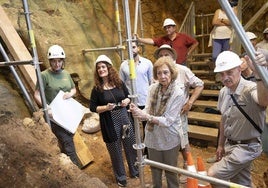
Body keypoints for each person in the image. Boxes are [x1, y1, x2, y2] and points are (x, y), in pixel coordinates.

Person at [207, 50, 268, 187]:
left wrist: (259, 74)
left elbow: (263, 101)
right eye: (222, 74)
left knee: (213, 174)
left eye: (229, 72)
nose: (225, 77)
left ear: (240, 69)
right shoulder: (224, 91)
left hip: (247, 147)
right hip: (230, 145)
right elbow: (223, 119)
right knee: (240, 182)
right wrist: (221, 144)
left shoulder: (250, 88)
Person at [129, 56, 185, 188]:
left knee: (171, 171)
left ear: (172, 73)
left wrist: (146, 116)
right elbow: (147, 110)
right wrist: (137, 111)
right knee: (155, 170)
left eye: (165, 72)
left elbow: (168, 121)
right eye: (159, 73)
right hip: (153, 136)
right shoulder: (152, 89)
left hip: (170, 137)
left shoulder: (178, 93)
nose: (162, 76)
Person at [153, 44, 204, 183]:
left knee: (183, 142)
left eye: (166, 54)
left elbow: (200, 84)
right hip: (163, 116)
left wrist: (190, 102)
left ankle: (187, 168)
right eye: (161, 55)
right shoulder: (159, 73)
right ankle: (170, 169)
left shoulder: (183, 70)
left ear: (173, 56)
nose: (164, 57)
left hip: (179, 115)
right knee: (167, 142)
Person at [89, 55, 139, 187]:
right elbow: (92, 107)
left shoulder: (119, 83)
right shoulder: (97, 89)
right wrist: (106, 107)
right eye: (98, 68)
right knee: (115, 150)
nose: (101, 69)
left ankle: (135, 170)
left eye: (103, 66)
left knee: (130, 144)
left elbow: (128, 96)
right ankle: (121, 177)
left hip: (124, 118)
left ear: (109, 68)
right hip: (109, 122)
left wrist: (126, 101)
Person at [34, 44, 81, 167]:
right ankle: (76, 170)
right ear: (50, 61)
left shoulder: (65, 74)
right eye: (54, 61)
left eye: (59, 61)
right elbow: (37, 94)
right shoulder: (44, 75)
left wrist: (70, 94)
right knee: (67, 140)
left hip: (67, 114)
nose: (57, 64)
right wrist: (46, 107)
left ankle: (67, 166)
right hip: (54, 116)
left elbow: (73, 89)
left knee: (68, 138)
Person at [119, 40, 153, 156]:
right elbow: (121, 84)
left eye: (133, 47)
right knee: (132, 128)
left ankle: (148, 152)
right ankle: (135, 153)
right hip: (131, 102)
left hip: (145, 100)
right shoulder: (123, 66)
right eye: (128, 47)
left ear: (138, 48)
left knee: (147, 128)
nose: (131, 49)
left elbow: (151, 82)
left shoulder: (147, 63)